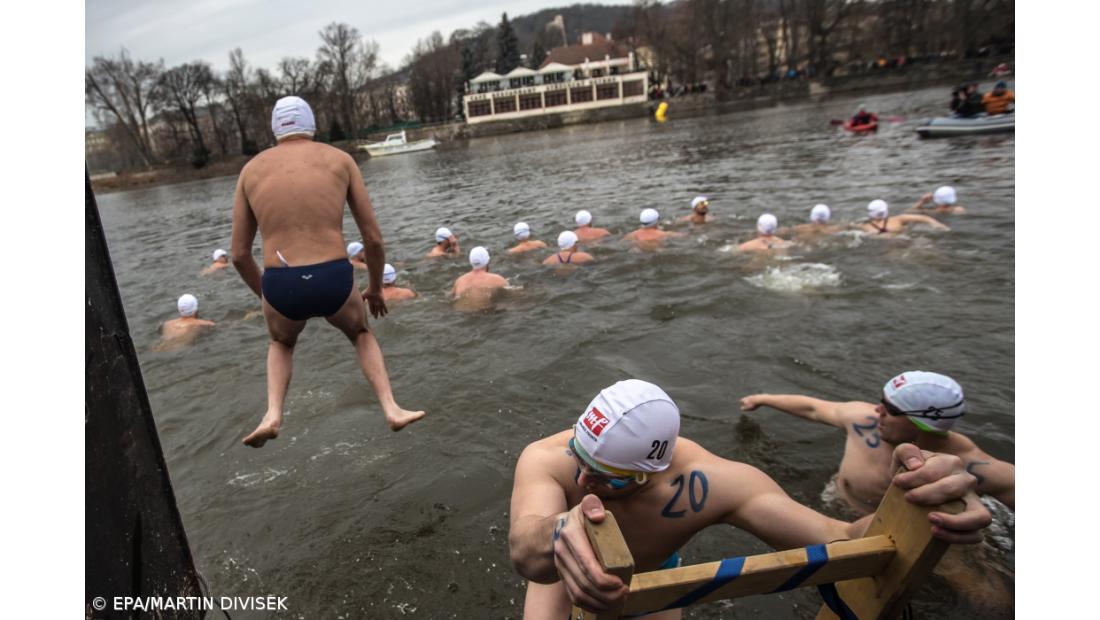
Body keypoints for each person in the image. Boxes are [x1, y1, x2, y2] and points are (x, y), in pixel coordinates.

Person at [509, 379, 992, 618]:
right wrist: (557, 531)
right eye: (580, 458)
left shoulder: (716, 483)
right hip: (559, 558)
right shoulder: (545, 458)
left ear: (652, 471)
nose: (585, 481)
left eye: (609, 478)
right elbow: (525, 553)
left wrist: (918, 508)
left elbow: (842, 538)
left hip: (649, 570)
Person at [230, 95, 424, 448]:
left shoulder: (250, 171)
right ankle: (391, 407)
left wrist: (268, 294)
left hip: (281, 283)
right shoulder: (340, 160)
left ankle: (272, 413)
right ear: (311, 124)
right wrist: (376, 287)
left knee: (280, 342)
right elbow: (373, 240)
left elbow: (240, 255)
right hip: (333, 276)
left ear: (275, 129)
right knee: (361, 334)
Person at [739, 371, 1014, 516]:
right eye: (881, 401)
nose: (877, 410)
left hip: (895, 527)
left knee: (981, 592)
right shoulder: (864, 420)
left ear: (923, 424)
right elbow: (813, 408)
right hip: (832, 503)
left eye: (891, 409)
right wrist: (763, 398)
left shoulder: (966, 463)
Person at [862, 199, 949, 234]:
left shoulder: (865, 226)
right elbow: (924, 218)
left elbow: (849, 226)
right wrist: (938, 225)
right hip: (902, 241)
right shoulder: (898, 219)